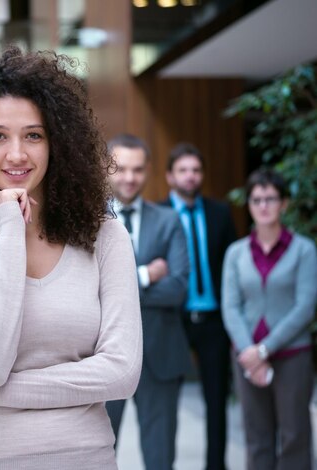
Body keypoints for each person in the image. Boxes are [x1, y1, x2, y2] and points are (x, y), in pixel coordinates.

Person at [0, 45, 143, 469]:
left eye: (34, 135)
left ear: (58, 142)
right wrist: (9, 229)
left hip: (83, 458)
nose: (16, 154)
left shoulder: (106, 237)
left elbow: (122, 372)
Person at [104, 134, 191, 470]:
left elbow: (178, 288)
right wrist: (144, 276)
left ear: (147, 171)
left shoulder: (168, 221)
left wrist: (116, 287)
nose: (129, 178)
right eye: (122, 169)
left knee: (160, 457)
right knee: (96, 453)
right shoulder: (87, 222)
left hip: (161, 355)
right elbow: (89, 290)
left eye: (138, 170)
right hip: (104, 355)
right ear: (106, 168)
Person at [222, 168, 316, 470]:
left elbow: (305, 306)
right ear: (249, 204)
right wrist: (250, 352)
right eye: (257, 199)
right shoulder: (235, 253)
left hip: (292, 357)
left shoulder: (304, 250)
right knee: (257, 437)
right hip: (246, 357)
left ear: (284, 204)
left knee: (294, 436)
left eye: (271, 198)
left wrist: (265, 350)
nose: (263, 205)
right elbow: (230, 306)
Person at [161, 142, 236, 470]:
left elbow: (231, 267)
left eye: (195, 170)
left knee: (217, 401)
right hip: (172, 321)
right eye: (183, 171)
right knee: (166, 405)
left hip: (214, 320)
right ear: (170, 176)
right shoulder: (159, 216)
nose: (190, 177)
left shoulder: (220, 213)